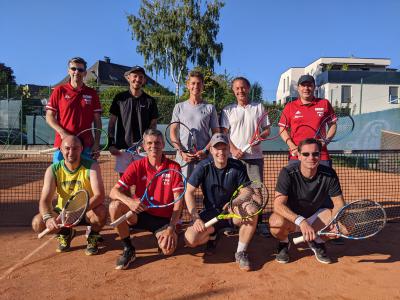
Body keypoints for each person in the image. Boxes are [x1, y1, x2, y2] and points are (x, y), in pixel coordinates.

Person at [109, 129, 185, 270]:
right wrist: (130, 202)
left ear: (163, 145)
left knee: (167, 250)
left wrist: (171, 227)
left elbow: (178, 203)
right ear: (143, 146)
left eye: (157, 143)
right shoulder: (136, 166)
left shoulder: (174, 167)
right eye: (149, 143)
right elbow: (113, 192)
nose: (153, 146)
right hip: (140, 215)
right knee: (114, 206)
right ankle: (128, 248)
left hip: (163, 220)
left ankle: (173, 234)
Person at [184, 133, 259, 272]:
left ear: (229, 149)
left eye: (224, 148)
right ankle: (213, 234)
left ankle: (240, 252)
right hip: (211, 213)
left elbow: (247, 192)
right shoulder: (203, 166)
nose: (221, 152)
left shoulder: (237, 166)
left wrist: (233, 202)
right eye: (217, 148)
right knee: (190, 240)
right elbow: (188, 192)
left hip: (233, 212)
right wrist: (196, 218)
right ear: (211, 150)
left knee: (252, 211)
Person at [269, 138, 345, 264]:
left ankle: (317, 241)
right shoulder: (287, 172)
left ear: (320, 156)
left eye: (315, 154)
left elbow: (339, 203)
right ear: (298, 156)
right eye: (306, 154)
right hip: (292, 219)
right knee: (275, 223)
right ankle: (284, 242)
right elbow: (278, 205)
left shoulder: (329, 174)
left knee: (345, 226)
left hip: (317, 218)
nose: (311, 157)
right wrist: (301, 221)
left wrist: (335, 222)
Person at [31, 135, 107, 255]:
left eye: (75, 148)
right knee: (37, 223)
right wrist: (48, 218)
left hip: (86, 210)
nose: (71, 152)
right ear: (61, 149)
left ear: (81, 149)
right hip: (63, 213)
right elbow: (45, 200)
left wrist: (77, 211)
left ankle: (93, 235)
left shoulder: (92, 166)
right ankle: (65, 232)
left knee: (101, 211)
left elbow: (99, 196)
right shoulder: (53, 170)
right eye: (67, 148)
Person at [220, 77, 269, 235]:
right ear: (233, 91)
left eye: (243, 87)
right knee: (235, 191)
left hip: (254, 157)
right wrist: (233, 149)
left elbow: (266, 129)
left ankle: (259, 222)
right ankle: (233, 222)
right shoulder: (228, 110)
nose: (240, 91)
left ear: (248, 89)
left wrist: (259, 138)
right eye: (237, 88)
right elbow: (224, 133)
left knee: (256, 190)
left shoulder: (258, 107)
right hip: (234, 159)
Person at [46, 57, 102, 162]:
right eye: (73, 69)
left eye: (80, 70)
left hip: (86, 146)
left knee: (89, 178)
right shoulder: (59, 90)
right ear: (69, 71)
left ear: (85, 73)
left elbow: (97, 121)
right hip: (63, 146)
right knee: (59, 178)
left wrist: (97, 143)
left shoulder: (92, 93)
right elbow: (49, 116)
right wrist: (63, 134)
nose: (76, 72)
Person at [108, 66, 159, 175]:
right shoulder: (119, 98)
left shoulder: (150, 101)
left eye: (141, 77)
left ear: (144, 80)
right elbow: (112, 123)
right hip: (123, 150)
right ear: (128, 78)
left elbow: (153, 125)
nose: (138, 79)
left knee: (144, 183)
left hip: (143, 150)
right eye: (135, 76)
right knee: (123, 184)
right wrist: (111, 144)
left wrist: (145, 143)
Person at [169, 70, 219, 179]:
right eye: (193, 83)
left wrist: (205, 151)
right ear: (188, 85)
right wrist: (181, 152)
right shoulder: (179, 107)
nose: (196, 86)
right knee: (182, 189)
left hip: (204, 157)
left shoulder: (210, 108)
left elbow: (216, 134)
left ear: (203, 86)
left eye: (199, 83)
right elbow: (173, 132)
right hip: (184, 157)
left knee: (208, 190)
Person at [279, 74, 336, 167]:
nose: (306, 88)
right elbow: (282, 129)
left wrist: (326, 140)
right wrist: (292, 146)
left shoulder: (324, 103)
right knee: (295, 181)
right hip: (297, 155)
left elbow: (333, 124)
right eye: (303, 85)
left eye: (309, 85)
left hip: (320, 155)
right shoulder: (289, 106)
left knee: (325, 181)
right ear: (298, 88)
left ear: (314, 87)